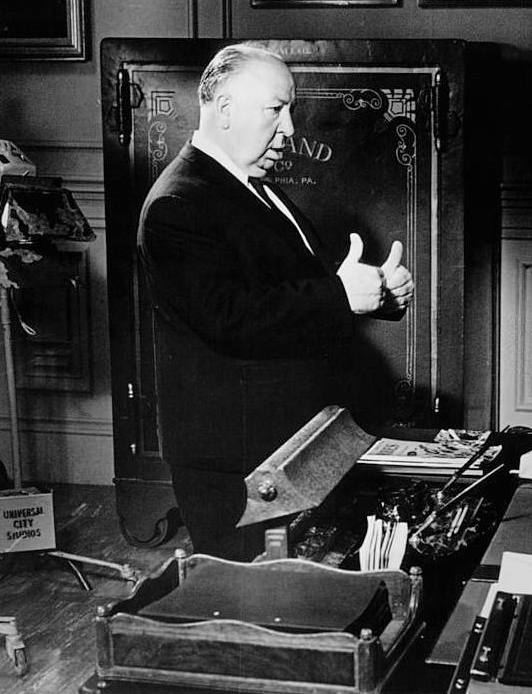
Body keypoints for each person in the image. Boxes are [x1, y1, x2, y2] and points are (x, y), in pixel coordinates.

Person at [138, 43, 414, 560]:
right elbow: (230, 318)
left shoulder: (251, 185)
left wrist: (375, 292)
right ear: (224, 109)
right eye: (276, 109)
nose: (289, 128)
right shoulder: (179, 203)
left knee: (304, 595)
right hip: (235, 458)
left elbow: (287, 291)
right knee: (253, 606)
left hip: (290, 438)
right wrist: (340, 295)